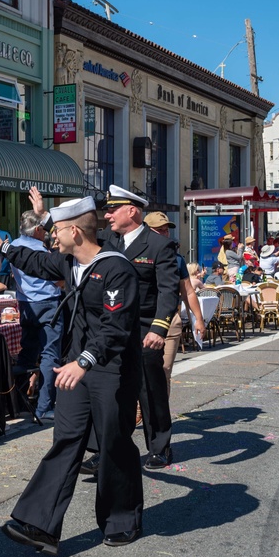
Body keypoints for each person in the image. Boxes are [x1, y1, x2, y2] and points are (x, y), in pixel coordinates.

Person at [0, 196, 144, 551]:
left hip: (111, 369)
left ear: (75, 231)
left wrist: (84, 361)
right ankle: (39, 524)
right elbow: (38, 262)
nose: (51, 236)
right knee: (66, 439)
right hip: (76, 366)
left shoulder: (117, 269)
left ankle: (122, 518)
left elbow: (115, 329)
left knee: (114, 444)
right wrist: (5, 246)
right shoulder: (68, 261)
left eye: (56, 230)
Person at [101, 185, 179, 470]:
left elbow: (168, 291)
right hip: (113, 329)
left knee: (150, 391)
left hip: (145, 329)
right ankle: (107, 448)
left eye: (113, 209)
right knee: (110, 391)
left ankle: (159, 446)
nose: (107, 215)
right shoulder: (109, 243)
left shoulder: (158, 245)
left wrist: (159, 329)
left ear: (131, 211)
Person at [9, 210, 63, 421]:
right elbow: (57, 278)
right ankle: (44, 407)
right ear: (39, 229)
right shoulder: (43, 250)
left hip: (25, 304)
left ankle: (20, 401)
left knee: (27, 353)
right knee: (50, 355)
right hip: (48, 303)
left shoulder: (13, 246)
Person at [144, 212, 205, 394]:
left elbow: (187, 291)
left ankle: (159, 418)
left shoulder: (176, 259)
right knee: (139, 371)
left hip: (170, 321)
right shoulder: (134, 254)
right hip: (141, 321)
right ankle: (140, 406)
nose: (165, 234)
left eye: (166, 230)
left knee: (163, 371)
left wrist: (199, 319)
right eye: (159, 230)